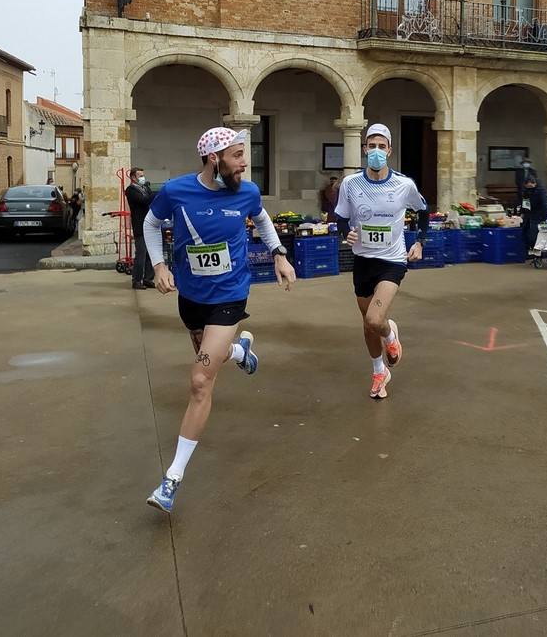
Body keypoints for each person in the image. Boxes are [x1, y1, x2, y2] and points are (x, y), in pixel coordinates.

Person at [142, 128, 297, 513]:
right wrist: (159, 265)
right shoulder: (177, 191)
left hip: (230, 295)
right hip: (191, 297)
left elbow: (262, 220)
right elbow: (149, 224)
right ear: (215, 159)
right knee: (210, 357)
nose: (245, 162)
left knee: (199, 380)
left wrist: (278, 253)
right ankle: (240, 351)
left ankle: (172, 480)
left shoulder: (246, 192)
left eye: (244, 155)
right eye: (238, 155)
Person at [335, 124, 428, 400]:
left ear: (389, 150)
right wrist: (345, 232)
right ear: (364, 149)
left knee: (376, 319)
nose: (376, 151)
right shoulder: (351, 184)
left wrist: (420, 242)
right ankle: (379, 372)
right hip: (363, 261)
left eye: (381, 146)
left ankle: (390, 336)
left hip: (392, 260)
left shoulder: (404, 184)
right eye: (371, 146)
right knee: (367, 324)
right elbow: (340, 215)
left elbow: (423, 211)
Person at [124, 167, 156, 290]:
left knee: (150, 254)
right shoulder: (131, 190)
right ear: (133, 177)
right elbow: (144, 200)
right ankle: (136, 280)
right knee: (141, 254)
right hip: (140, 225)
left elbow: (150, 198)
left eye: (143, 175)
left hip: (149, 224)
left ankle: (148, 278)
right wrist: (155, 194)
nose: (143, 178)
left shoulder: (144, 188)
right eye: (140, 175)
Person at [520, 173, 547, 251]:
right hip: (529, 214)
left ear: (535, 183)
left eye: (530, 186)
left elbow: (545, 204)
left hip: (539, 214)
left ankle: (536, 252)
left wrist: (544, 216)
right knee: (527, 233)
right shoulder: (526, 191)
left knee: (534, 235)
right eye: (527, 187)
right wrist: (523, 213)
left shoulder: (541, 191)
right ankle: (530, 251)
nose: (529, 188)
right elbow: (525, 202)